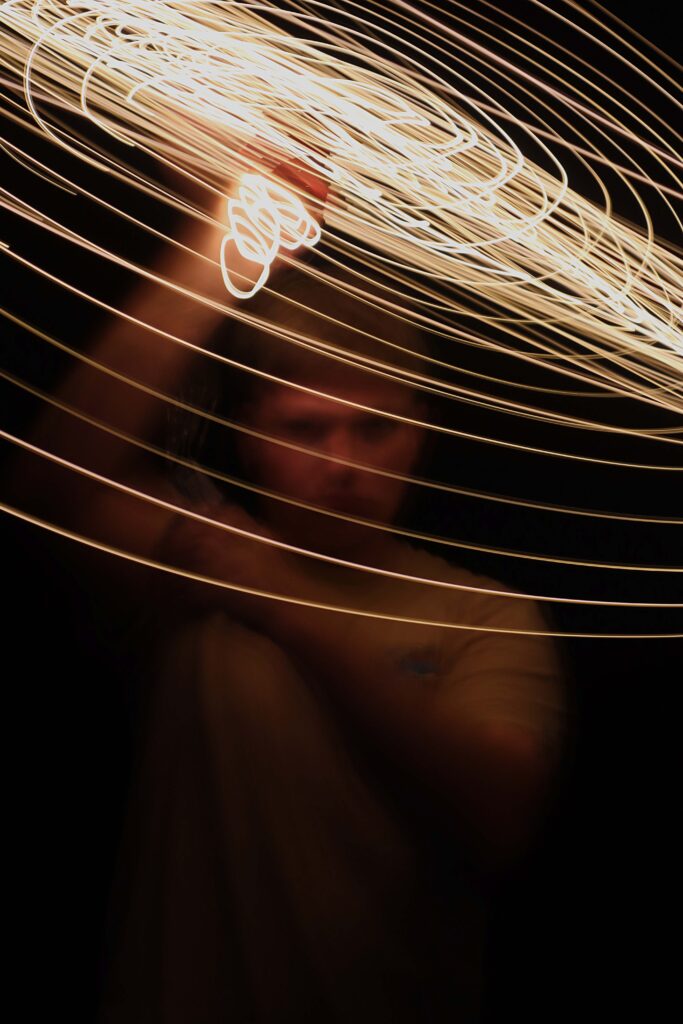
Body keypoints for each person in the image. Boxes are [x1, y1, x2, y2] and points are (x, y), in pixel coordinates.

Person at [3, 159, 567, 1023]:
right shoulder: (199, 556)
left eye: (375, 427)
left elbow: (497, 816)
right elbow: (44, 490)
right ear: (252, 440)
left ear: (418, 435)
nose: (342, 464)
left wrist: (289, 609)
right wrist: (220, 252)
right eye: (304, 428)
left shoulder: (481, 614)